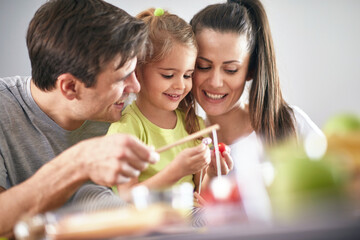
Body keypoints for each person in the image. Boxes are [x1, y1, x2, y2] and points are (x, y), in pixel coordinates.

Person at [0, 0, 161, 237]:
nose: (136, 87)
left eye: (134, 73)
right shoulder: (4, 110)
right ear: (70, 87)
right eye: (122, 78)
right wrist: (78, 163)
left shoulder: (121, 112)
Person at [190, 0, 326, 223]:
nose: (215, 82)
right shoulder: (182, 138)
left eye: (231, 69)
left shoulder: (290, 125)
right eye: (203, 66)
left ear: (251, 70)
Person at [107, 8, 212, 200]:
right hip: (148, 224)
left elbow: (199, 193)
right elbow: (127, 197)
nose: (181, 85)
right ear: (137, 71)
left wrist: (212, 170)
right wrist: (177, 170)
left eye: (188, 75)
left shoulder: (194, 125)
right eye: (168, 75)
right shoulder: (126, 129)